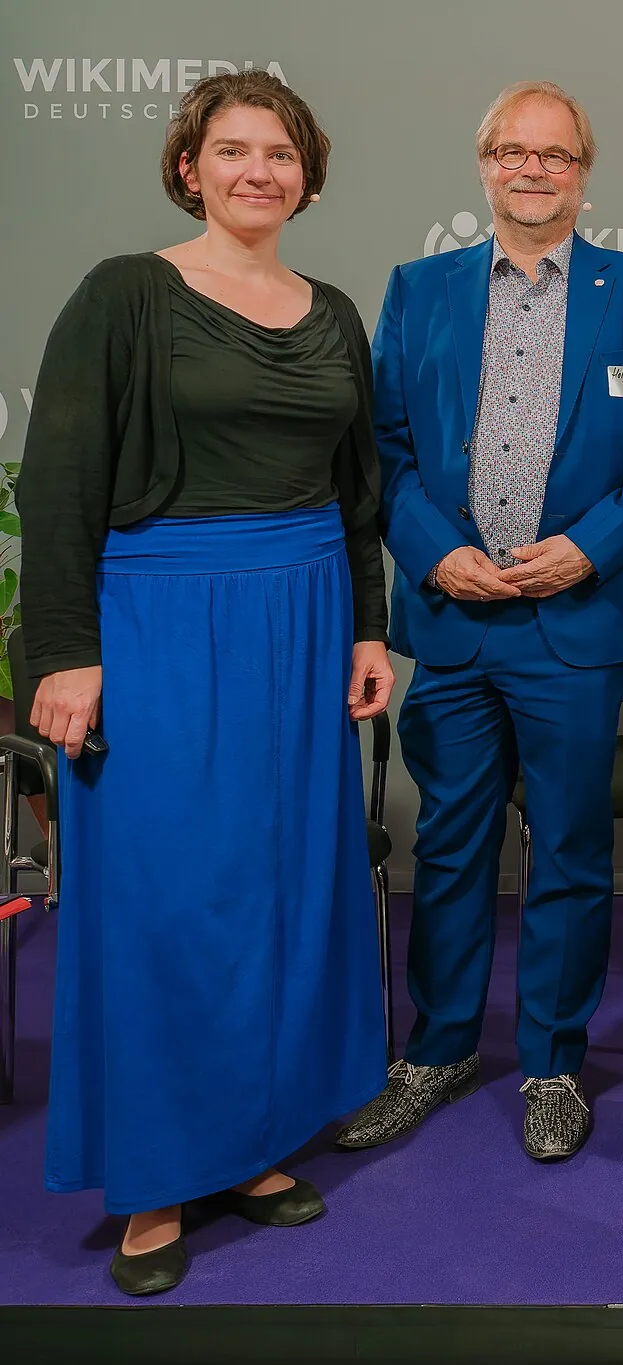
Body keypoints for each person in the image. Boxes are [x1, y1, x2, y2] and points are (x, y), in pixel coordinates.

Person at [20, 71, 392, 1295]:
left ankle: (251, 1144)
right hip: (161, 623)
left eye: (279, 153)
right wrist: (65, 651)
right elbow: (60, 478)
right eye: (231, 151)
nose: (257, 172)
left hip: (302, 618)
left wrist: (367, 630)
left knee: (280, 890)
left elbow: (357, 497)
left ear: (308, 174)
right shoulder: (124, 294)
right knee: (163, 900)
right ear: (190, 167)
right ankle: (158, 1173)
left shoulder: (333, 311)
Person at [336, 81, 623, 1162]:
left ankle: (551, 1061)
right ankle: (440, 1050)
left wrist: (591, 545)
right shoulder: (420, 290)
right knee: (446, 846)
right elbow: (387, 452)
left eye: (553, 154)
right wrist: (436, 554)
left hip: (577, 620)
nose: (532, 169)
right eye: (512, 151)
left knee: (568, 851)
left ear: (583, 172)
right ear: (485, 166)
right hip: (456, 618)